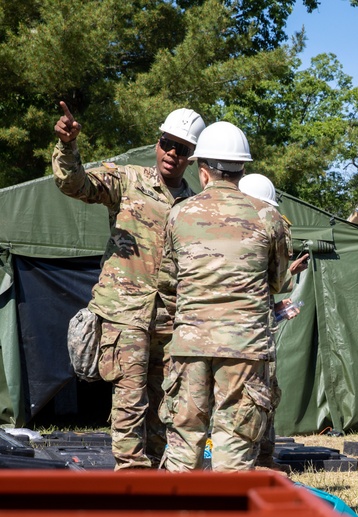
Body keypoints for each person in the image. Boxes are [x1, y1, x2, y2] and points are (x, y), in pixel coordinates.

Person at [53, 103, 205, 470]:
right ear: (157, 142)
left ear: (191, 158)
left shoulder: (197, 206)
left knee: (165, 403)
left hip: (172, 321)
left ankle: (156, 477)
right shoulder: (128, 180)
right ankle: (131, 479)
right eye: (167, 143)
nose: (172, 153)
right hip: (125, 315)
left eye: (182, 149)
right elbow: (74, 184)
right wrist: (68, 146)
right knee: (129, 399)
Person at [158, 122, 290, 472]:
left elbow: (168, 281)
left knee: (185, 440)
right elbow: (278, 282)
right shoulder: (267, 215)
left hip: (190, 344)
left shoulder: (179, 213)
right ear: (241, 169)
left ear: (203, 171)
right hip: (245, 345)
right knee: (234, 442)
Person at [238, 173, 309, 470]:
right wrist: (286, 274)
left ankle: (261, 457)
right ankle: (252, 459)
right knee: (258, 393)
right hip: (251, 334)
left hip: (245, 327)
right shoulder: (258, 231)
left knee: (262, 394)